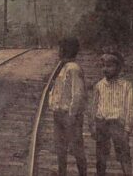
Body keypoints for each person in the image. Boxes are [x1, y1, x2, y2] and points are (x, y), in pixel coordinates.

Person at [89, 51, 133, 176]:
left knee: (124, 154)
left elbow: (130, 109)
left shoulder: (126, 86)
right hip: (102, 123)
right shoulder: (99, 85)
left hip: (117, 124)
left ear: (118, 68)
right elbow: (93, 106)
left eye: (109, 66)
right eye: (103, 66)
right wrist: (92, 125)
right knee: (101, 156)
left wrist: (127, 129)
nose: (105, 69)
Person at [48, 37, 88, 176]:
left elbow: (77, 94)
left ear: (66, 50)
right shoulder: (63, 67)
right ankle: (61, 173)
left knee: (77, 148)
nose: (59, 51)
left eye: (61, 49)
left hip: (69, 115)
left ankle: (83, 173)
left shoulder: (73, 68)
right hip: (59, 114)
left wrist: (72, 115)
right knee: (60, 149)